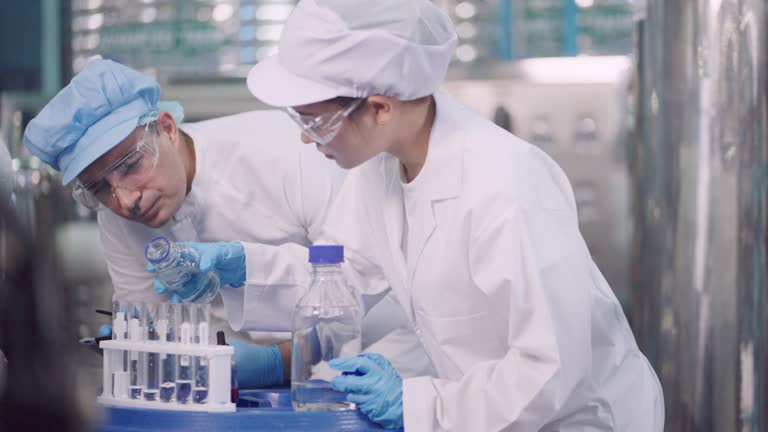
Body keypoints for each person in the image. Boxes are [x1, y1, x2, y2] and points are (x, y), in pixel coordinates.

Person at [167, 0, 665, 430]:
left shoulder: (505, 186)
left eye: (314, 120)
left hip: (579, 419)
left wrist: (416, 404)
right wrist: (237, 268)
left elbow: (551, 369)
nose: (304, 137)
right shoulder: (381, 170)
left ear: (381, 108)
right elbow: (338, 277)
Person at [22, 59, 434, 387]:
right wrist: (142, 345)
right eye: (98, 187)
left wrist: (276, 364)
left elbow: (354, 288)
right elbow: (151, 328)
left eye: (130, 164)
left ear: (166, 128)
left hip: (382, 363)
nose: (124, 199)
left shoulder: (289, 154)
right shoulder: (119, 213)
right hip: (262, 394)